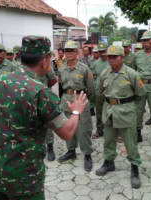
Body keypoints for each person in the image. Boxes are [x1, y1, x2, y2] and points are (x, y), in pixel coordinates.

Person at [0, 35, 88, 200]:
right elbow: (67, 133)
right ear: (45, 61)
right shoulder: (39, 92)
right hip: (22, 179)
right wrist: (76, 111)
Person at [95, 45, 144, 189]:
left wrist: (130, 108)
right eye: (109, 57)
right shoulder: (105, 73)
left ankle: (134, 168)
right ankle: (109, 163)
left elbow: (140, 94)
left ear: (122, 58)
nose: (111, 60)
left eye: (114, 57)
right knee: (108, 140)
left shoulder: (132, 74)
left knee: (130, 143)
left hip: (126, 112)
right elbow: (100, 91)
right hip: (109, 111)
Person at [57, 40, 94, 172]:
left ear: (77, 52)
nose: (69, 53)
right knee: (68, 127)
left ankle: (87, 154)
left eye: (72, 50)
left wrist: (85, 101)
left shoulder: (84, 69)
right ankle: (71, 150)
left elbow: (90, 89)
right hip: (66, 100)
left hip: (80, 99)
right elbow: (61, 86)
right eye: (67, 50)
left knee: (83, 129)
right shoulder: (61, 69)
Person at [91, 43, 109, 139]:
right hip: (99, 92)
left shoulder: (111, 62)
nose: (102, 54)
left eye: (104, 51)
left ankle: (115, 132)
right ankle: (99, 130)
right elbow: (94, 78)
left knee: (112, 112)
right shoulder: (95, 64)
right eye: (100, 51)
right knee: (99, 113)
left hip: (110, 92)